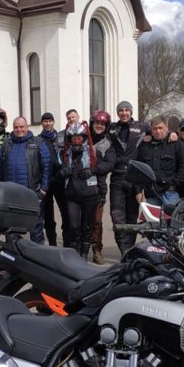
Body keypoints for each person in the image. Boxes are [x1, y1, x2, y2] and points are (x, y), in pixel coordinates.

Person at [0, 115, 51, 244]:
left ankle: (37, 255)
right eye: (16, 127)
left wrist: (44, 188)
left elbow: (46, 166)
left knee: (35, 226)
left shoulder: (37, 142)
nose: (19, 130)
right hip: (11, 194)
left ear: (27, 127)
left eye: (21, 127)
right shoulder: (7, 144)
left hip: (32, 192)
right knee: (12, 226)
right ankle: (15, 254)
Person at [107, 100, 150, 255]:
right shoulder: (111, 128)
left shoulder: (142, 126)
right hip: (117, 178)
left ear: (131, 112)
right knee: (117, 216)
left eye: (127, 110)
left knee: (132, 218)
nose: (124, 113)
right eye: (121, 110)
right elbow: (96, 132)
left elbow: (160, 132)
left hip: (134, 179)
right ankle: (124, 250)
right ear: (118, 113)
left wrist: (173, 133)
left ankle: (129, 250)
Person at [59, 121, 102, 259]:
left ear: (84, 138)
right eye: (74, 138)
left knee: (87, 226)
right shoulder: (64, 154)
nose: (77, 141)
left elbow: (108, 164)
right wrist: (63, 172)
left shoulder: (93, 151)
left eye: (79, 138)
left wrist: (92, 170)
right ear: (70, 139)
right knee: (73, 226)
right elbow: (55, 172)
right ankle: (74, 253)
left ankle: (84, 253)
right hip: (72, 195)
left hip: (90, 195)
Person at [134, 115, 184, 208]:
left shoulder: (175, 143)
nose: (158, 131)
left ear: (166, 128)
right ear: (151, 130)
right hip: (151, 193)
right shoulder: (145, 145)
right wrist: (138, 190)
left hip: (170, 193)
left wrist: (175, 184)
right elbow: (138, 169)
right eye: (155, 128)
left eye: (160, 128)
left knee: (171, 221)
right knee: (153, 221)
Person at [88, 110, 116, 264]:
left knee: (96, 221)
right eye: (97, 123)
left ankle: (96, 249)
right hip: (79, 186)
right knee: (79, 220)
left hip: (98, 188)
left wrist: (94, 169)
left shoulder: (108, 143)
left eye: (102, 124)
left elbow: (110, 163)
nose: (99, 126)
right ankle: (80, 248)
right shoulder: (83, 137)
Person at [38, 111, 68, 246]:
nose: (47, 123)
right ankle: (52, 244)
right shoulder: (38, 140)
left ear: (53, 122)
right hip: (46, 181)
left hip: (61, 181)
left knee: (65, 212)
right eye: (45, 121)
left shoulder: (61, 137)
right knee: (48, 216)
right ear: (42, 123)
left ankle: (68, 243)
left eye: (50, 121)